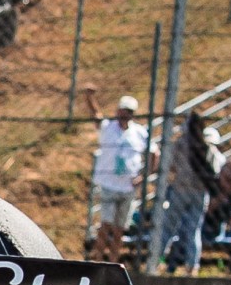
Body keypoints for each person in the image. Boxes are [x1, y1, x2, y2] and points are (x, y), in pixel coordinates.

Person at [155, 112, 220, 273]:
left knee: (168, 228)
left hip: (180, 190)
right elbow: (215, 171)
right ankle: (192, 267)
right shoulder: (207, 146)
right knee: (193, 231)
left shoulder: (181, 144)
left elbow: (170, 165)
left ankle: (154, 262)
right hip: (200, 193)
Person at [89, 95, 147, 259]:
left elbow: (154, 153)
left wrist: (143, 176)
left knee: (120, 228)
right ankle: (98, 258)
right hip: (109, 185)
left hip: (128, 187)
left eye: (128, 111)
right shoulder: (109, 128)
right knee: (106, 224)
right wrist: (90, 98)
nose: (124, 114)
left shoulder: (139, 133)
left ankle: (114, 260)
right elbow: (96, 115)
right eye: (122, 110)